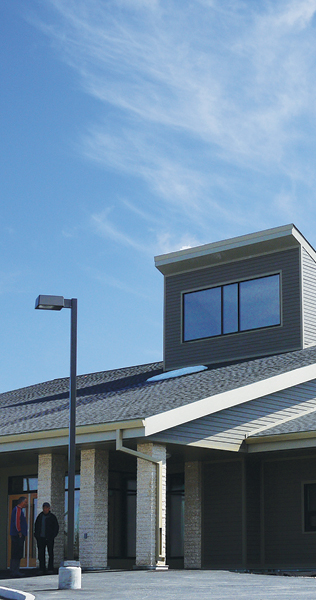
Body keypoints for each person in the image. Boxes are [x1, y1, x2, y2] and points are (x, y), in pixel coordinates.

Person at [34, 502, 59, 574]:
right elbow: (36, 526)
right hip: (41, 538)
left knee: (50, 553)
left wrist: (52, 536)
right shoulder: (40, 516)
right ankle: (42, 569)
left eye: (46, 508)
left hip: (49, 538)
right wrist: (36, 536)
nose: (45, 509)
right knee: (41, 554)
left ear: (49, 508)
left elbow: (56, 528)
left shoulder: (52, 517)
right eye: (44, 508)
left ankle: (50, 568)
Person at [10, 496, 28, 577]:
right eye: (25, 502)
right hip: (17, 535)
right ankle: (14, 571)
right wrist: (19, 531)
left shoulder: (19, 510)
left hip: (17, 534)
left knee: (17, 552)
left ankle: (15, 570)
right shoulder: (18, 509)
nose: (26, 504)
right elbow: (17, 521)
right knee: (16, 552)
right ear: (21, 502)